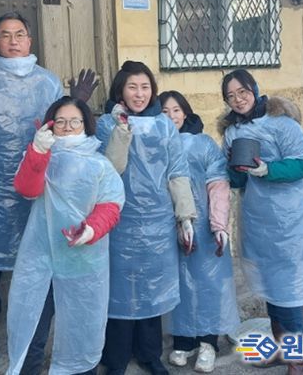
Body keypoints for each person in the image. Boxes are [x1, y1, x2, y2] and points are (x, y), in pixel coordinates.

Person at [0, 11, 99, 344]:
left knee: (41, 242)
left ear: (30, 40)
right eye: (5, 35)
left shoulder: (48, 81)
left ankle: (39, 309)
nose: (13, 41)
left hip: (40, 174)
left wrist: (77, 103)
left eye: (19, 34)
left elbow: (61, 124)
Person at [6, 96, 125, 375]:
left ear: (86, 124)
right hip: (40, 259)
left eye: (74, 121)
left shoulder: (99, 164)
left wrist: (91, 229)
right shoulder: (40, 155)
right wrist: (37, 152)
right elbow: (27, 189)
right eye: (60, 121)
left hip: (82, 261)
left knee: (81, 331)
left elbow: (111, 204)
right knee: (31, 325)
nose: (68, 127)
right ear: (50, 125)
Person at [95, 61, 197, 375]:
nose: (139, 94)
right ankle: (115, 359)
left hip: (157, 220)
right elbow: (111, 169)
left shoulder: (164, 126)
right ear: (120, 91)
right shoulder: (106, 124)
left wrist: (185, 216)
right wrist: (121, 129)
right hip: (119, 219)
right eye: (132, 87)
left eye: (145, 87)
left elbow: (177, 171)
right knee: (120, 291)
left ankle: (150, 355)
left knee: (153, 289)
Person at [219, 69, 303, 375]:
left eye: (242, 92)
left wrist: (268, 170)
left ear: (255, 89)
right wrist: (233, 167)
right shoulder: (232, 132)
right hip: (258, 219)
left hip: (288, 221)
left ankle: (297, 361)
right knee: (272, 288)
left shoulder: (282, 124)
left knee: (288, 292)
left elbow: (302, 164)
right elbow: (236, 179)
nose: (238, 99)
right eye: (231, 96)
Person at [160, 91, 240, 373]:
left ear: (186, 112)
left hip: (205, 226)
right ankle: (184, 340)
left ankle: (208, 342)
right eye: (165, 112)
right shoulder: (156, 144)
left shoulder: (203, 144)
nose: (172, 117)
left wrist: (218, 225)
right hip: (169, 225)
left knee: (209, 283)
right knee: (179, 283)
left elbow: (218, 184)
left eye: (176, 110)